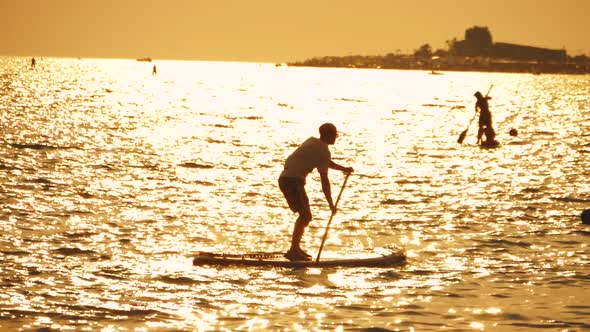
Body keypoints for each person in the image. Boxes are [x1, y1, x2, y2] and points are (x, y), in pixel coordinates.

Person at [279, 123, 354, 261]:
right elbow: (324, 181)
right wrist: (331, 204)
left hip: (291, 180)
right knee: (305, 215)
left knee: (305, 215)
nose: (336, 137)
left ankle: (295, 248)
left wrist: (344, 169)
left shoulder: (314, 143)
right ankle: (293, 250)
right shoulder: (322, 150)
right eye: (334, 134)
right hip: (292, 181)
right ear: (328, 135)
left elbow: (325, 162)